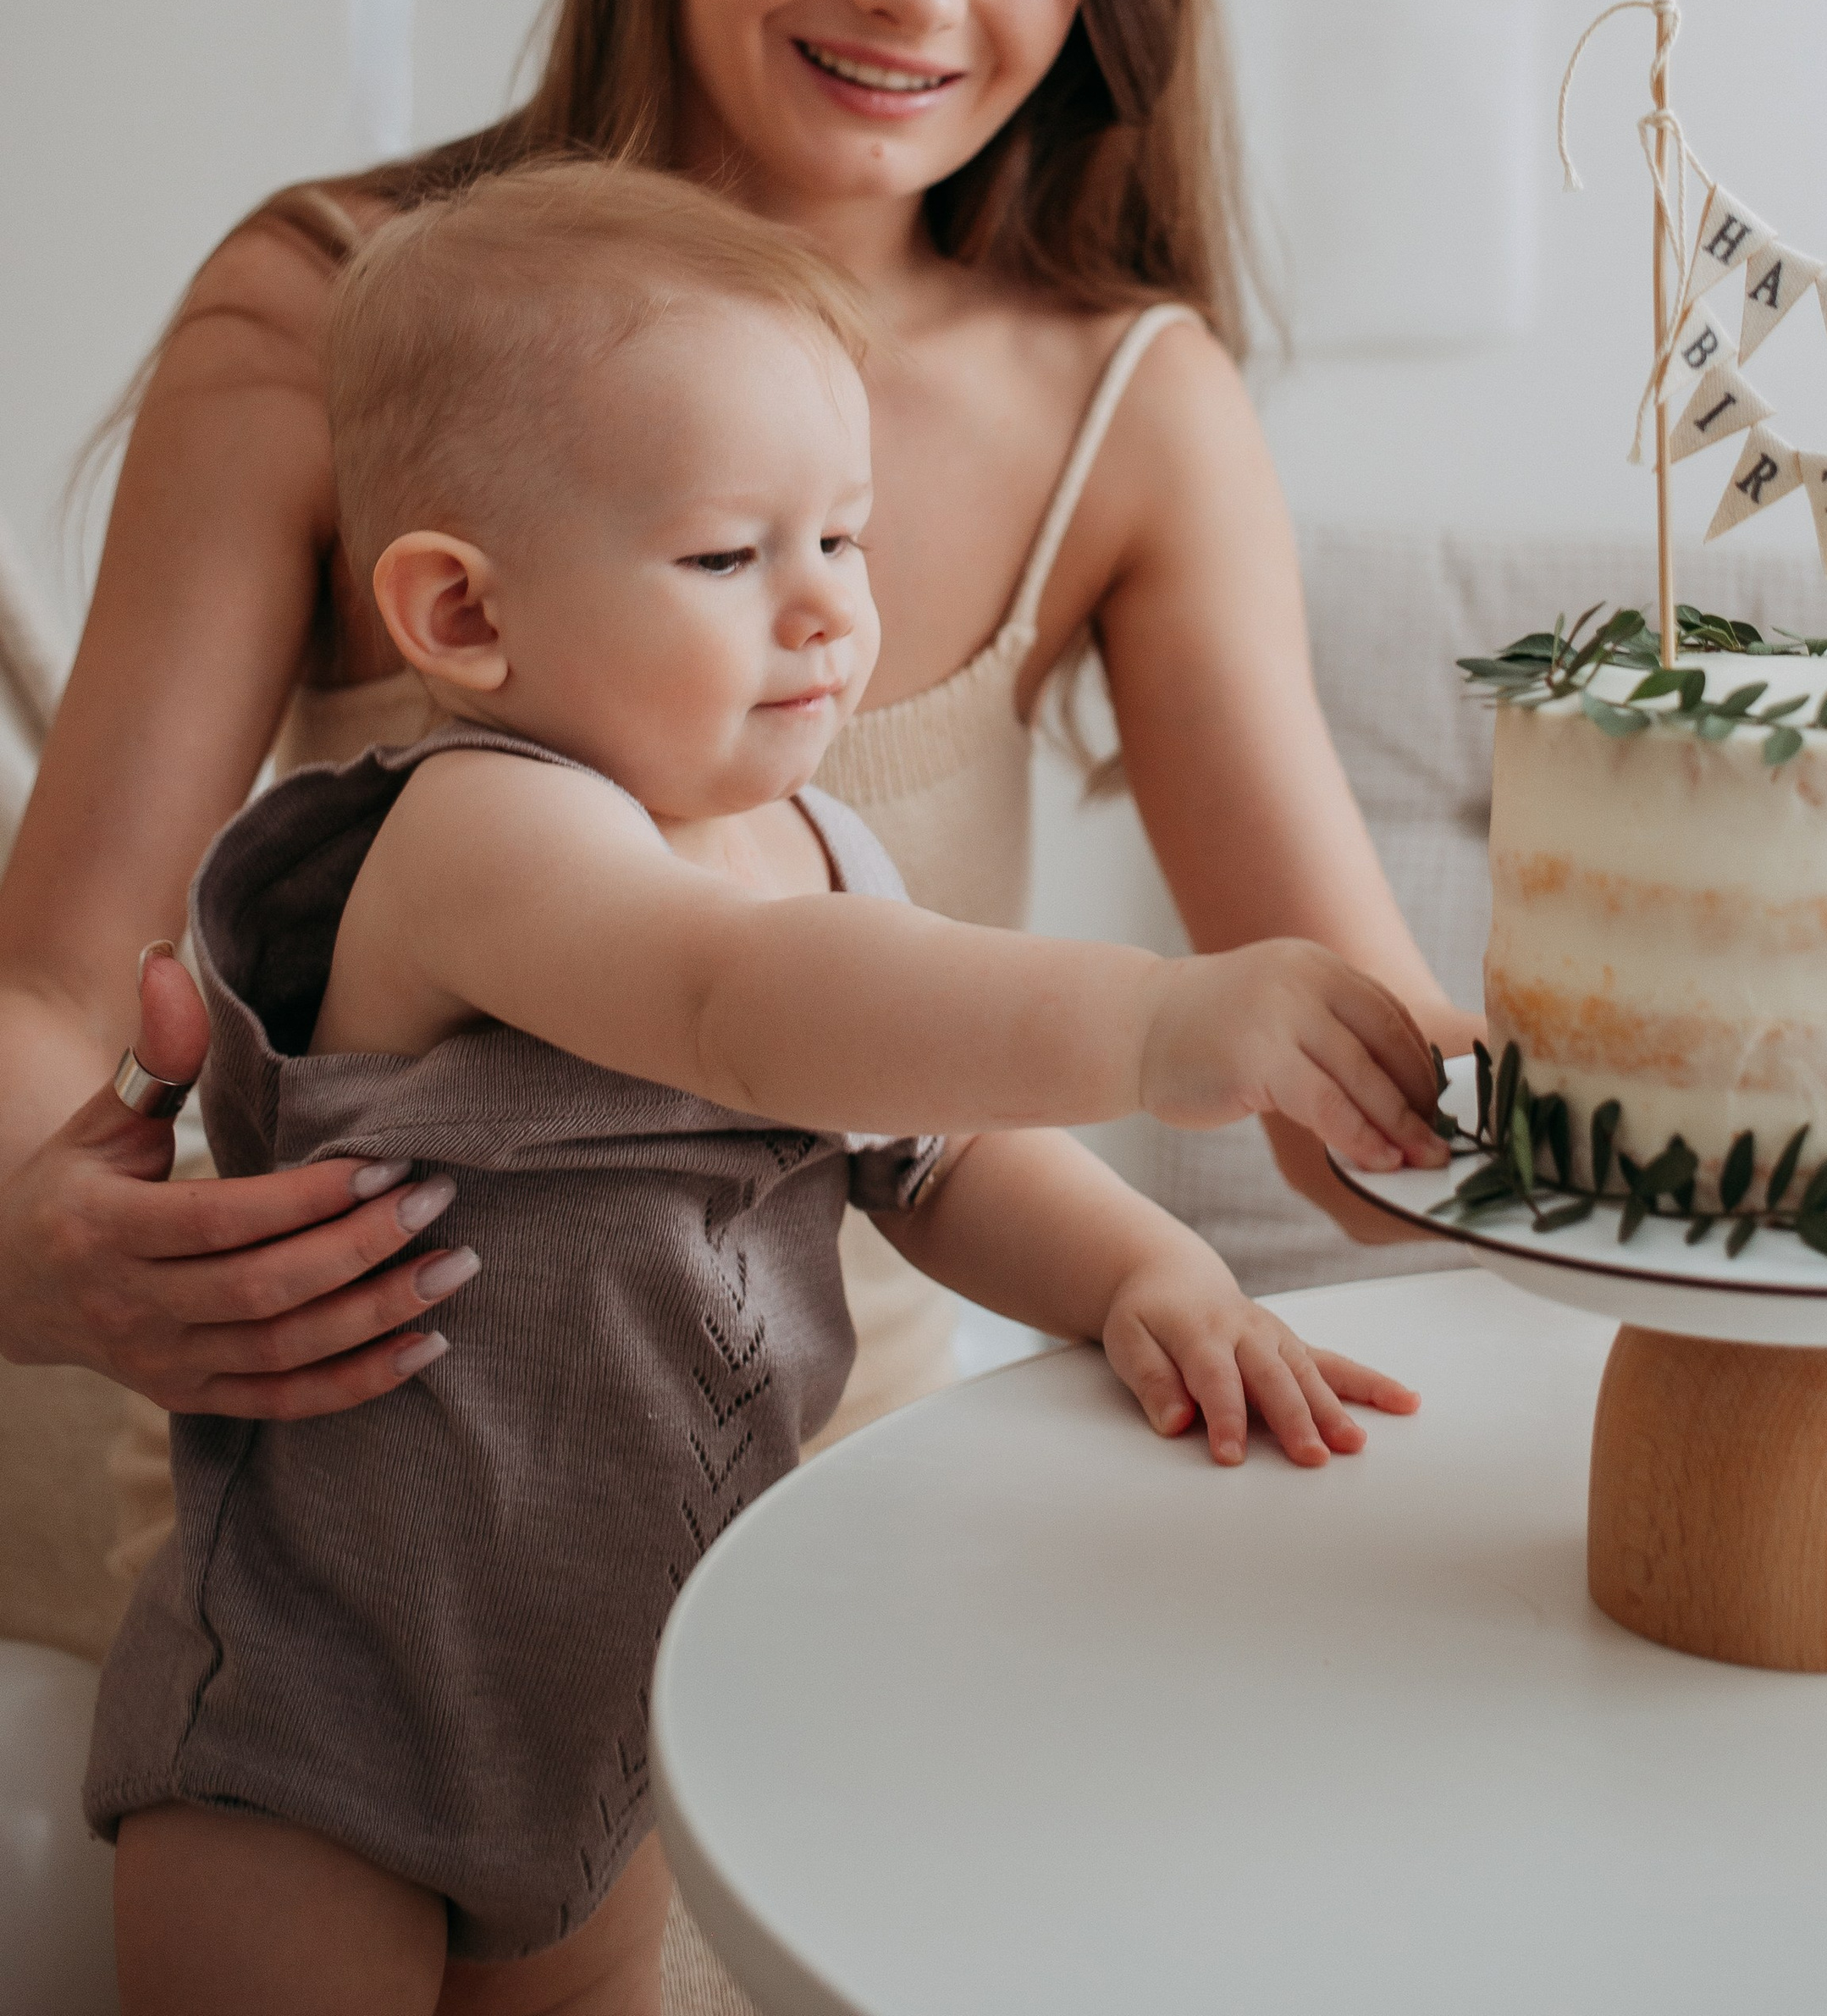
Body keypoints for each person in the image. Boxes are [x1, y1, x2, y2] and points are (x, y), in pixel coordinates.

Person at [0, 0, 1479, 2008]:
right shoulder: (345, 314)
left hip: (765, 1553)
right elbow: (63, 983)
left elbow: (1354, 1071)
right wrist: (34, 1243)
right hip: (319, 1513)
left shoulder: (1127, 397)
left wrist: (1667, 1134)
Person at [88, 162, 1435, 2016]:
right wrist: (1147, 1024)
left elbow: (937, 1155)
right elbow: (735, 1008)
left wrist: (1146, 1272)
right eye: (729, 557)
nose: (823, 614)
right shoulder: (483, 830)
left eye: (845, 540)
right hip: (322, 1715)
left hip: (610, 1719)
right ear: (464, 615)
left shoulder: (816, 855)